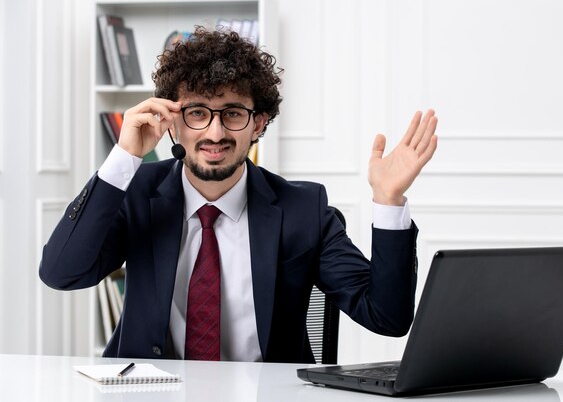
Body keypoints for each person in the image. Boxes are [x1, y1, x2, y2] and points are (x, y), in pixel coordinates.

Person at [39, 27, 438, 363]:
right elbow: (61, 273)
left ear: (258, 123)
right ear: (172, 123)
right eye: (197, 112)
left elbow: (387, 317)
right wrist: (123, 159)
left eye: (232, 113)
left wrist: (388, 201)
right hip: (150, 393)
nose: (215, 133)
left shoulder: (304, 210)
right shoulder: (136, 193)